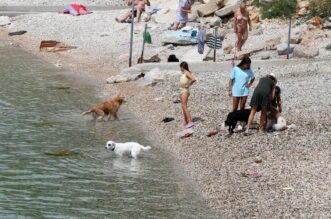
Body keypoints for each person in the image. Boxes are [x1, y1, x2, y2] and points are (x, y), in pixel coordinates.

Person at [179, 61, 196, 129]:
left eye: (180, 67)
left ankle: (190, 122)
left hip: (185, 91)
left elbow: (193, 79)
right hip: (182, 91)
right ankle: (185, 121)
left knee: (184, 106)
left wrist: (187, 85)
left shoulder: (186, 72)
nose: (180, 68)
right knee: (183, 106)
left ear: (182, 67)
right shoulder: (184, 73)